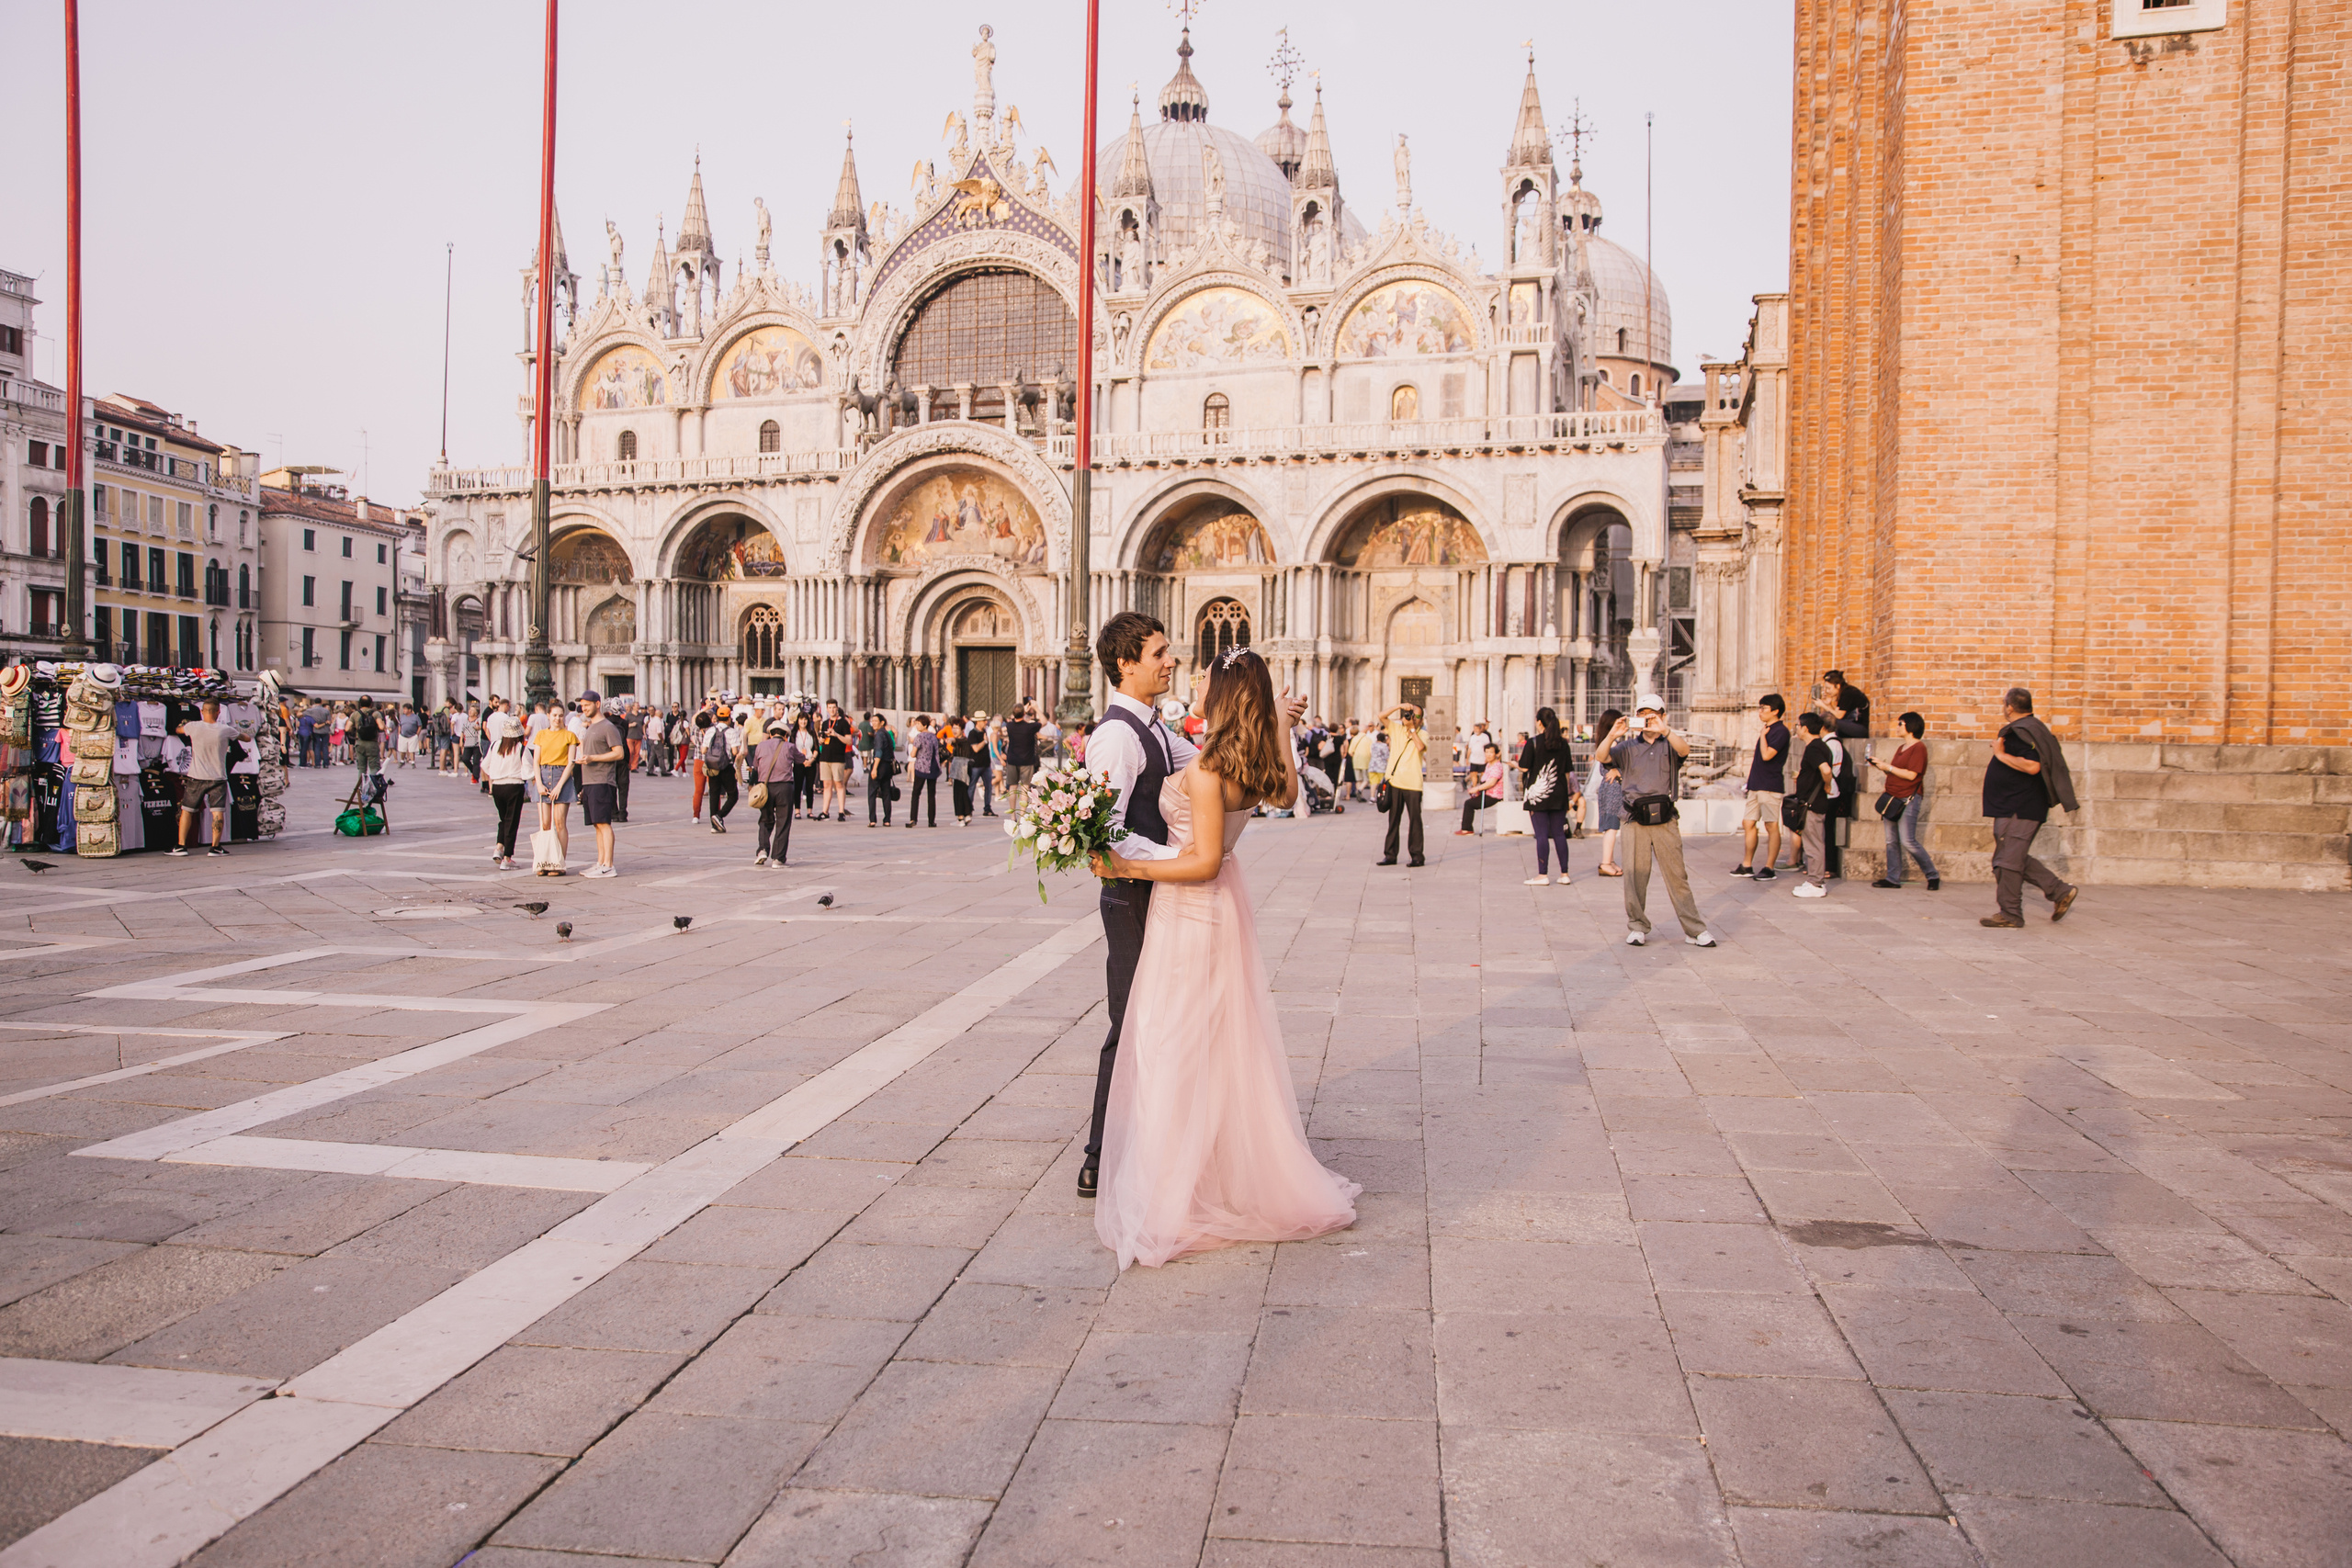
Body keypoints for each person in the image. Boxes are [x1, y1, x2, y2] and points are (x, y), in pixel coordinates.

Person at [1090, 644, 1356, 1266]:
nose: (1194, 679)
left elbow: (1204, 859)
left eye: (1204, 676)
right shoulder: (1250, 759)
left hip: (1192, 908)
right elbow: (1289, 791)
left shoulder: (1210, 770)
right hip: (1221, 907)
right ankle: (1210, 1169)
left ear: (1222, 692)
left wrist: (1123, 861)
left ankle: (1178, 1185)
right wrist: (1283, 725)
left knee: (1171, 1040)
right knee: (1215, 1040)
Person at [1598, 695, 1717, 947]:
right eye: (1643, 714)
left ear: (1663, 715)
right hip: (1633, 818)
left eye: (1653, 714)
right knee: (1634, 875)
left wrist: (1665, 730)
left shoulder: (1669, 744)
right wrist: (1612, 735)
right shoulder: (1628, 747)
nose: (1648, 720)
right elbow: (1602, 756)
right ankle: (1637, 926)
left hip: (1665, 818)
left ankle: (1694, 929)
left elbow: (1685, 751)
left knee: (1677, 875)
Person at [1981, 686, 2079, 928]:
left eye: (2005, 704)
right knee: (2010, 857)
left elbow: (2032, 766)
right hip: (2018, 805)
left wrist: (2000, 754)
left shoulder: (2020, 731)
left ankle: (2011, 914)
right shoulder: (2035, 728)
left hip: (2018, 807)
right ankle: (2059, 892)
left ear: (2010, 707)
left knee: (2007, 861)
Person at [1871, 711, 1940, 891]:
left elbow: (1911, 775)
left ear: (1910, 726)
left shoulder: (1919, 748)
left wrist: (1889, 767)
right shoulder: (1901, 748)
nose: (1898, 726)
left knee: (1908, 841)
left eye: (1900, 723)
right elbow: (1896, 772)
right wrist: (1882, 767)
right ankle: (1893, 878)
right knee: (1890, 840)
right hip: (1893, 796)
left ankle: (1932, 875)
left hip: (1908, 798)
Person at [1518, 705, 1580, 885]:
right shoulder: (1564, 744)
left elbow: (1524, 767)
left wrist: (1513, 766)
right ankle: (1564, 874)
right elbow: (1568, 772)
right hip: (1558, 793)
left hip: (1538, 795)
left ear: (1539, 722)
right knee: (1559, 834)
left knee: (1542, 834)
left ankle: (1543, 874)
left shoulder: (1534, 743)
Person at [1734, 694, 1793, 881]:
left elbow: (1768, 755)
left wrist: (1762, 736)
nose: (1760, 712)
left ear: (1775, 711)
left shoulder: (1781, 732)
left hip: (1770, 786)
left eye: (1764, 708)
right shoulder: (1768, 730)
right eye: (1759, 707)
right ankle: (1747, 864)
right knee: (1748, 823)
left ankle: (1769, 867)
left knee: (1771, 825)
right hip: (1756, 784)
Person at [168, 699, 238, 858]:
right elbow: (245, 738)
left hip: (196, 776)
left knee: (187, 810)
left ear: (202, 711)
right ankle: (215, 847)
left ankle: (181, 846)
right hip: (218, 777)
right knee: (217, 812)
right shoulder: (225, 729)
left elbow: (178, 730)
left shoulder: (193, 727)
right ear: (218, 712)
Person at [1790, 712, 1840, 899]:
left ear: (1804, 728)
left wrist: (1827, 785)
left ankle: (1816, 883)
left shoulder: (1814, 747)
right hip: (1812, 802)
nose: (1796, 728)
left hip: (1813, 803)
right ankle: (1813, 879)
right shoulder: (1819, 746)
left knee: (1814, 845)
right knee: (1812, 843)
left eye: (1797, 725)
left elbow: (1826, 770)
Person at [573, 692, 625, 878]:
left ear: (597, 703)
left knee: (604, 823)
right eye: (582, 705)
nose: (584, 708)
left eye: (587, 705)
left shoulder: (608, 727)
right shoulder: (591, 727)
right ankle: (601, 862)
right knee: (597, 824)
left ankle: (609, 865)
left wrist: (593, 758)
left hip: (602, 780)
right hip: (590, 780)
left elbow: (619, 753)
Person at [1374, 702, 1428, 867]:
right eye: (1410, 714)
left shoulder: (1423, 734)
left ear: (1421, 719)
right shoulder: (1395, 729)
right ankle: (1390, 855)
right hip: (1395, 781)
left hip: (1413, 783)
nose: (1412, 718)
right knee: (1393, 820)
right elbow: (1381, 716)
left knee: (1415, 821)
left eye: (1417, 716)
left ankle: (1417, 856)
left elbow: (1420, 747)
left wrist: (1412, 729)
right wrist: (1399, 707)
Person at [530, 703, 580, 874]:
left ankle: (559, 863)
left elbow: (570, 763)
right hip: (543, 774)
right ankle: (544, 861)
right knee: (544, 823)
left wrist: (559, 786)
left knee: (559, 823)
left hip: (561, 776)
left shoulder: (570, 736)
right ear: (549, 716)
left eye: (560, 715)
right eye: (554, 715)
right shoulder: (541, 735)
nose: (557, 719)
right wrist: (539, 783)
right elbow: (536, 761)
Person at [752, 720, 805, 866]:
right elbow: (801, 759)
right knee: (783, 821)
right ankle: (778, 857)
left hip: (765, 787)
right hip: (784, 787)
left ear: (770, 734)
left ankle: (762, 849)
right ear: (786, 735)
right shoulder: (789, 746)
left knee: (765, 819)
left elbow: (756, 766)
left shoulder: (761, 746)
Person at [481, 713, 531, 868]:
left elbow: (485, 766)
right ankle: (507, 858)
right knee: (512, 821)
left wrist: (496, 774)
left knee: (504, 819)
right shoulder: (521, 749)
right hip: (514, 786)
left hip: (497, 787)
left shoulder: (495, 745)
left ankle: (499, 847)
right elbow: (528, 771)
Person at [1587, 707, 1625, 876]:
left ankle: (1609, 860)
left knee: (1611, 826)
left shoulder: (1605, 742)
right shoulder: (1614, 744)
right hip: (1613, 788)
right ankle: (1605, 863)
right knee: (1612, 826)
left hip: (1608, 788)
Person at [702, 708, 741, 833]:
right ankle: (719, 816)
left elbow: (703, 750)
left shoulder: (710, 730)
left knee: (714, 794)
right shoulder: (731, 732)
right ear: (729, 718)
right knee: (733, 795)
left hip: (712, 765)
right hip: (726, 766)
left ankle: (714, 826)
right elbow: (734, 752)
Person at [816, 699, 854, 821]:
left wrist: (836, 735)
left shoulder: (843, 723)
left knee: (839, 784)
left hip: (838, 757)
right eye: (830, 707)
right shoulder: (825, 723)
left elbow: (849, 741)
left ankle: (841, 811)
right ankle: (825, 811)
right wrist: (821, 740)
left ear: (837, 708)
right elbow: (822, 739)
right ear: (827, 709)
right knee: (826, 785)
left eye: (834, 707)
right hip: (825, 757)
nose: (832, 710)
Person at [1456, 742, 1506, 835]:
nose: (1488, 755)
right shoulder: (1488, 765)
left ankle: (1467, 829)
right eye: (1486, 752)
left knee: (1469, 804)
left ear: (1496, 754)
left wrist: (1477, 789)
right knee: (1470, 802)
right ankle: (1466, 828)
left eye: (1491, 753)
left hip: (1494, 795)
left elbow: (1491, 782)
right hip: (1486, 793)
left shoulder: (1497, 767)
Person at [1004, 702, 1043, 814]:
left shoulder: (1009, 726)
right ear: (1024, 713)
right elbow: (1044, 721)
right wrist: (1037, 708)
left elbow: (1012, 718)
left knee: (1012, 787)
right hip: (1027, 761)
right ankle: (1022, 814)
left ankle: (1012, 815)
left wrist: (1022, 710)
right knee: (1025, 788)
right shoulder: (1030, 727)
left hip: (1012, 760)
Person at [906, 715, 941, 828]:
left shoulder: (919, 737)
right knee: (931, 795)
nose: (917, 726)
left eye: (918, 724)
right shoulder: (933, 736)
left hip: (921, 767)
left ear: (924, 725)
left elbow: (913, 753)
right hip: (933, 767)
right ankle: (931, 821)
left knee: (916, 793)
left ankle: (913, 819)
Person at [1816, 669, 1871, 739]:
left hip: (1860, 729)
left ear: (1838, 686)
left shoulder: (1848, 693)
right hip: (1851, 725)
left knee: (1829, 721)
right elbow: (1836, 714)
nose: (1827, 691)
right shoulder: (1843, 693)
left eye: (1829, 688)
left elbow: (1839, 716)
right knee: (1828, 720)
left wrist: (1823, 705)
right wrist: (1828, 705)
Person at [865, 711, 898, 826]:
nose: (873, 723)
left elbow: (878, 752)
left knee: (872, 793)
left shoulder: (879, 734)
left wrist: (874, 768)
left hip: (880, 765)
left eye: (876, 721)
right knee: (886, 793)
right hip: (888, 766)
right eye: (872, 721)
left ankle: (873, 819)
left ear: (882, 722)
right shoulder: (888, 734)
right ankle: (887, 819)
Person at [349, 697, 383, 779]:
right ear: (371, 704)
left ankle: (361, 788)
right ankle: (372, 786)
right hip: (372, 743)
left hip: (360, 742)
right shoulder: (376, 714)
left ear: (360, 704)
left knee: (361, 768)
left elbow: (347, 728)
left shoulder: (355, 714)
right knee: (374, 767)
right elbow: (381, 727)